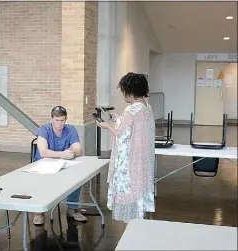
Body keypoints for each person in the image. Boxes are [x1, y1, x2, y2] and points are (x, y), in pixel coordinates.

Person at [97, 72, 155, 224]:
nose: (123, 96)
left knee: (128, 188)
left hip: (130, 161)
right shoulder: (147, 107)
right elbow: (134, 128)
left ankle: (131, 226)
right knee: (139, 188)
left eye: (124, 92)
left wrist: (108, 126)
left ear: (131, 91)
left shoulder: (130, 110)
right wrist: (118, 119)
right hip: (142, 159)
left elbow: (122, 135)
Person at [33, 106, 87, 225]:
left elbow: (78, 150)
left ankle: (72, 208)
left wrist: (72, 152)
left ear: (66, 119)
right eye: (56, 120)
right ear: (51, 119)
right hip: (44, 164)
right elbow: (43, 152)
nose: (59, 124)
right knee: (42, 181)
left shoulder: (71, 129)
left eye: (62, 120)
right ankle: (39, 212)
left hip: (63, 163)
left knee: (77, 176)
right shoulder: (44, 129)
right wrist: (62, 154)